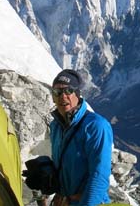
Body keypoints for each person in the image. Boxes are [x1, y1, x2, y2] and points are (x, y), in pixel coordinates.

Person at [48, 69, 113, 206]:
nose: (63, 96)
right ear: (53, 97)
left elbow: (99, 176)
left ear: (77, 94)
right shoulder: (56, 126)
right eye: (57, 92)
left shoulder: (96, 126)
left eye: (68, 91)